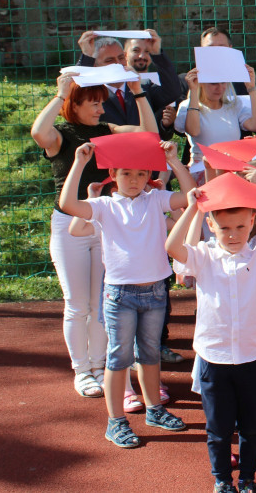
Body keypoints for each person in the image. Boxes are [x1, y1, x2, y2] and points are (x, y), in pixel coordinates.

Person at [30, 72, 158, 398]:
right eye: (94, 103)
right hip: (68, 225)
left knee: (99, 302)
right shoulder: (60, 136)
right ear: (74, 104)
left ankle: (100, 367)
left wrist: (138, 93)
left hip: (103, 222)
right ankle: (82, 370)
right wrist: (60, 94)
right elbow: (38, 132)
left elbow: (148, 135)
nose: (101, 109)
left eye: (102, 102)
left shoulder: (107, 132)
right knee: (77, 304)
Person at [58, 138, 193, 448]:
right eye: (127, 174)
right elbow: (68, 205)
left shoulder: (156, 200)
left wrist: (174, 161)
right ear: (114, 174)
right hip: (119, 294)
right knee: (119, 357)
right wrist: (79, 163)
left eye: (141, 175)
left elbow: (188, 197)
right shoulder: (105, 206)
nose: (134, 181)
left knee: (149, 353)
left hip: (156, 292)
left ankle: (154, 410)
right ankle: (116, 421)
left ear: (149, 177)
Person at [166, 183, 256, 493]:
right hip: (214, 359)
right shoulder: (203, 255)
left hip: (252, 359)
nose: (233, 234)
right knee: (218, 429)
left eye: (240, 226)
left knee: (252, 428)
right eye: (224, 227)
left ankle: (249, 479)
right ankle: (223, 480)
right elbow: (173, 248)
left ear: (253, 221)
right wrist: (191, 209)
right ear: (210, 226)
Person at [75, 29, 181, 129]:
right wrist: (86, 58)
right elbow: (74, 94)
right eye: (109, 60)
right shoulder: (91, 92)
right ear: (95, 65)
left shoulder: (143, 87)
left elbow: (172, 92)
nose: (118, 63)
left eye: (121, 58)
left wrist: (157, 54)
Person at [175, 64, 256, 165]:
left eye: (223, 82)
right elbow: (194, 131)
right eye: (213, 83)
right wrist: (193, 91)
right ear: (201, 83)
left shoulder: (234, 104)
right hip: (203, 168)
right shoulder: (188, 105)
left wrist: (252, 89)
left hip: (231, 165)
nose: (220, 88)